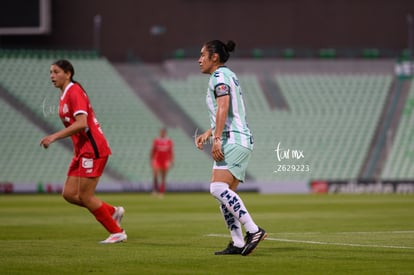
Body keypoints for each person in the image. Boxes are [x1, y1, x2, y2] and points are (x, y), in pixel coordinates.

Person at [39, 59, 127, 244]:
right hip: (81, 151)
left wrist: (54, 137)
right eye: (50, 72)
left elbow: (82, 124)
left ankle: (117, 232)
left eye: (56, 72)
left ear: (68, 73)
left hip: (93, 149)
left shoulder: (75, 92)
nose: (52, 76)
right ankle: (112, 212)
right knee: (69, 194)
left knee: (86, 196)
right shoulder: (65, 94)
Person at [195, 40, 266, 256]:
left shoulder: (220, 77)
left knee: (217, 189)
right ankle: (237, 242)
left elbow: (224, 106)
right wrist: (210, 133)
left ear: (214, 57)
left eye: (202, 55)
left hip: (233, 139)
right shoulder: (228, 75)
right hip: (235, 137)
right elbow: (229, 111)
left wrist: (216, 139)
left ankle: (254, 231)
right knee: (224, 193)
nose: (199, 60)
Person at [150, 127, 174, 197]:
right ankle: (155, 190)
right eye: (161, 132)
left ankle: (161, 191)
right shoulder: (156, 140)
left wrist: (171, 160)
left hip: (165, 160)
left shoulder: (169, 141)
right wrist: (151, 159)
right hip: (157, 159)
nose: (162, 133)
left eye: (163, 132)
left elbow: (170, 152)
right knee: (155, 174)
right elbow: (153, 150)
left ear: (165, 133)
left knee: (163, 176)